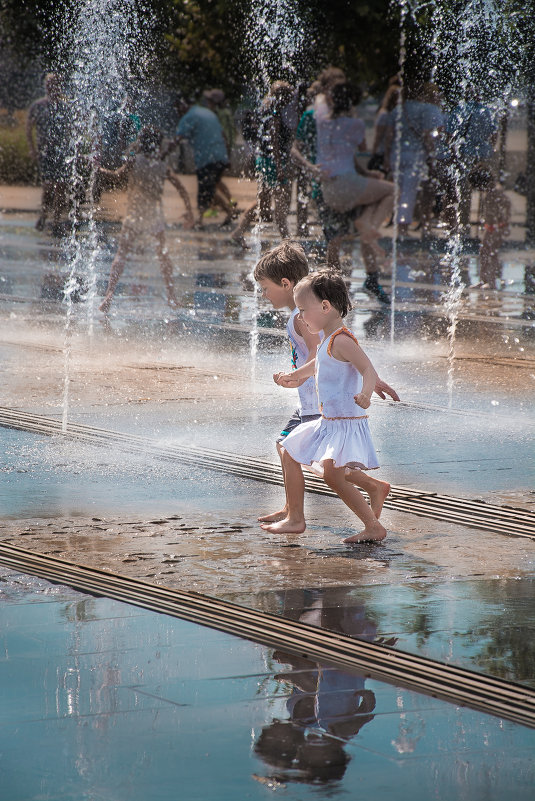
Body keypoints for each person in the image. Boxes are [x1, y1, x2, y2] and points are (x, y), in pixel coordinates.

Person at [257, 259, 396, 538]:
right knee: (291, 448)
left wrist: (367, 393)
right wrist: (293, 376)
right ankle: (371, 520)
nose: (302, 316)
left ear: (324, 307)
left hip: (345, 422)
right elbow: (317, 365)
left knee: (331, 475)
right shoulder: (328, 340)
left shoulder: (343, 340)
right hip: (330, 421)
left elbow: (367, 369)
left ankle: (373, 526)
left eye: (304, 310)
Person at [98, 126, 194, 313]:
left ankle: (109, 294)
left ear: (142, 142)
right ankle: (172, 296)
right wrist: (189, 211)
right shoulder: (162, 166)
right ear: (158, 145)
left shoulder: (135, 162)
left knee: (121, 254)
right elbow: (181, 188)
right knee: (163, 255)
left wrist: (98, 169)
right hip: (154, 216)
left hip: (134, 214)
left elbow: (116, 177)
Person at [313, 81, 394, 302]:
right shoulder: (355, 123)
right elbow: (363, 149)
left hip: (329, 190)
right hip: (348, 186)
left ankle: (367, 279)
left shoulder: (321, 120)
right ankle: (369, 227)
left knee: (336, 238)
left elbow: (346, 155)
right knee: (391, 191)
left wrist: (366, 175)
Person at [231, 81, 296, 246]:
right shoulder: (274, 112)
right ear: (282, 96)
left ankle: (239, 231)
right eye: (288, 96)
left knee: (263, 203)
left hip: (263, 161)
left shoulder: (264, 109)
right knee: (281, 202)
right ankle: (287, 242)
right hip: (273, 162)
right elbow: (274, 140)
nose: (289, 100)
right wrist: (280, 167)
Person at [383, 81, 443, 236]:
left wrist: (386, 156)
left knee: (398, 190)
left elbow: (389, 136)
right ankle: (402, 228)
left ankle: (399, 225)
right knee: (409, 192)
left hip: (397, 154)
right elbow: (426, 135)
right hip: (415, 155)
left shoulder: (397, 109)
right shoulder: (423, 110)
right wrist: (432, 155)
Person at [175, 94, 234, 228]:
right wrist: (227, 157)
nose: (178, 112)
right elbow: (223, 135)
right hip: (220, 156)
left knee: (205, 189)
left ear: (183, 106)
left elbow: (177, 139)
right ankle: (227, 212)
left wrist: (162, 155)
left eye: (178, 109)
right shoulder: (207, 112)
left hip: (207, 158)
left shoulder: (188, 116)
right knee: (210, 188)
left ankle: (201, 220)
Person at [26, 73, 72, 231]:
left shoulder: (64, 106)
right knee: (48, 187)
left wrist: (72, 150)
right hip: (45, 151)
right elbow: (28, 129)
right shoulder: (38, 106)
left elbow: (70, 130)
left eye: (55, 83)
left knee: (61, 187)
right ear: (45, 86)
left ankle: (57, 221)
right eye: (50, 84)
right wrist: (32, 149)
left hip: (61, 152)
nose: (52, 87)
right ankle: (44, 216)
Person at [475, 170, 511, 288]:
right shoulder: (490, 190)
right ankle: (484, 280)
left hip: (497, 227)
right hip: (491, 227)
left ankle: (491, 281)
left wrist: (501, 224)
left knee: (492, 252)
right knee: (485, 251)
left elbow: (507, 205)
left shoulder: (496, 190)